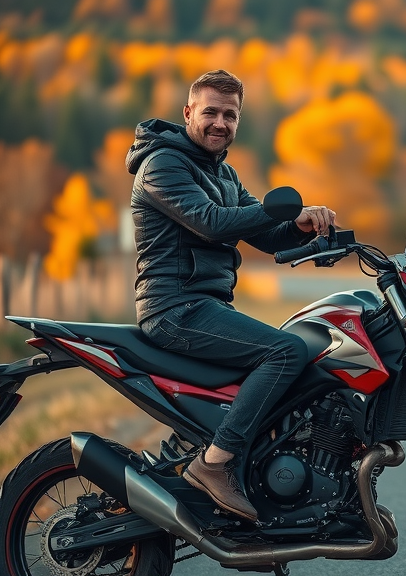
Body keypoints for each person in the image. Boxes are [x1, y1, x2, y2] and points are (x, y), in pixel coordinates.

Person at [126, 69, 337, 521]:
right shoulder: (162, 164)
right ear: (188, 113)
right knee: (285, 352)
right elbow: (212, 222)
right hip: (173, 307)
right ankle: (215, 464)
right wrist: (271, 211)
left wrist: (308, 231)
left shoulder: (222, 172)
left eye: (230, 114)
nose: (220, 122)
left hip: (204, 306)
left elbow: (265, 235)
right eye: (211, 112)